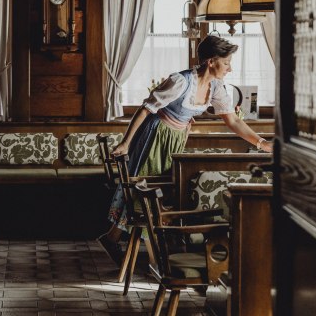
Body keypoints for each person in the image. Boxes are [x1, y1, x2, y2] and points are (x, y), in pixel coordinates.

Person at [96, 35, 273, 265]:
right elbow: (145, 109)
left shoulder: (216, 87)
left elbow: (233, 121)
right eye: (227, 62)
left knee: (166, 188)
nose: (230, 68)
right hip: (155, 137)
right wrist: (126, 143)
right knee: (146, 187)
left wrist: (261, 143)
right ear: (211, 61)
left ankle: (135, 243)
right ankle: (143, 246)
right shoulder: (181, 81)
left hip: (176, 139)